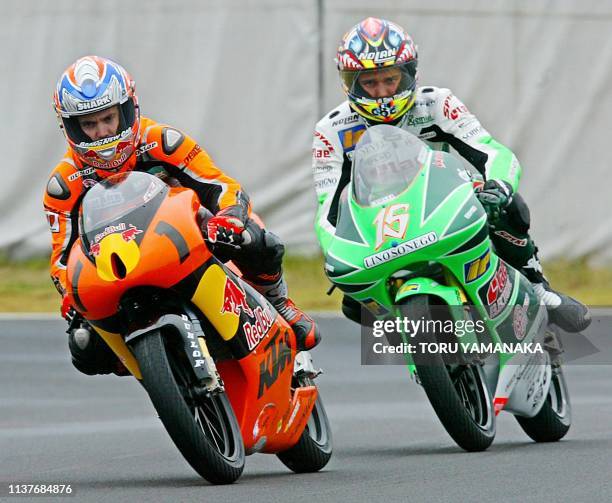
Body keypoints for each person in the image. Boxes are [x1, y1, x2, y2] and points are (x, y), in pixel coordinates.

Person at [44, 56, 319, 375]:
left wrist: (228, 216)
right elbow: (61, 259)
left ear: (128, 109)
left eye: (108, 118)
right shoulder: (63, 185)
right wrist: (70, 293)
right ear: (70, 128)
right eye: (88, 125)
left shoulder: (161, 141)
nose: (102, 133)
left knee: (258, 241)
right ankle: (159, 370)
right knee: (84, 348)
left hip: (185, 239)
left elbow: (221, 185)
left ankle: (278, 303)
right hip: (118, 267)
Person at [312, 17, 590, 333]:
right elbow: (328, 208)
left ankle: (538, 287)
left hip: (441, 199)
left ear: (409, 74)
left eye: (390, 80)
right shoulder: (331, 130)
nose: (382, 92)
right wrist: (336, 251)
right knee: (354, 305)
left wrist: (498, 186)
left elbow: (492, 151)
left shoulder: (436, 102)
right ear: (350, 84)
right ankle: (417, 346)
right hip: (380, 226)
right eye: (370, 83)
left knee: (508, 206)